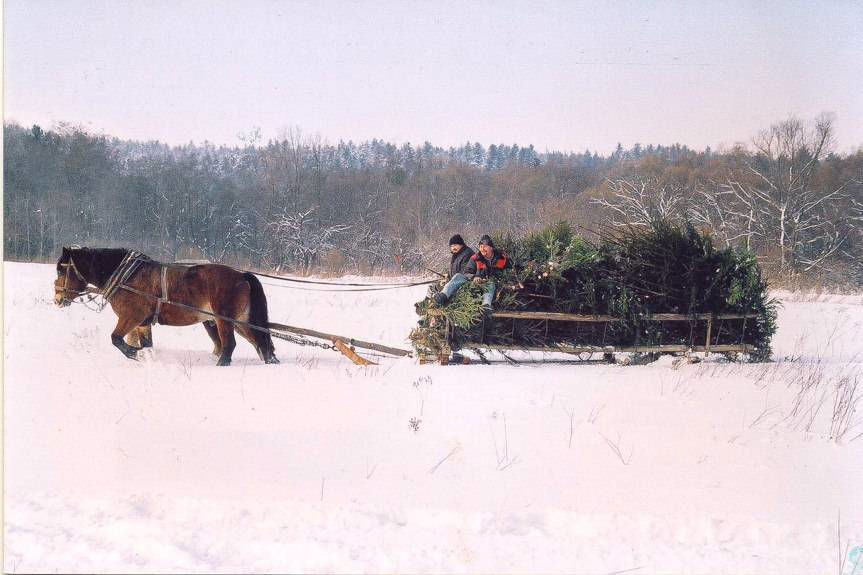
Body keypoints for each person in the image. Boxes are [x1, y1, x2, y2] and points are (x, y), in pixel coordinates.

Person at [470, 234, 512, 310]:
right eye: (481, 247)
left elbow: (511, 270)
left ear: (491, 247)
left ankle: (486, 306)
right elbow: (467, 272)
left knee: (491, 283)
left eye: (485, 246)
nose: (482, 249)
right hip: (479, 286)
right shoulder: (475, 258)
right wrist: (475, 277)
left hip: (497, 286)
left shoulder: (501, 258)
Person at [433, 234, 476, 306]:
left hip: (465, 281)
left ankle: (443, 297)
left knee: (458, 276)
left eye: (455, 245)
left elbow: (465, 272)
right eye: (451, 246)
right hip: (455, 280)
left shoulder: (467, 253)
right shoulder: (456, 255)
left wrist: (451, 279)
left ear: (461, 244)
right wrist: (448, 275)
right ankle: (433, 302)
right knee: (433, 286)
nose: (453, 248)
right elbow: (455, 270)